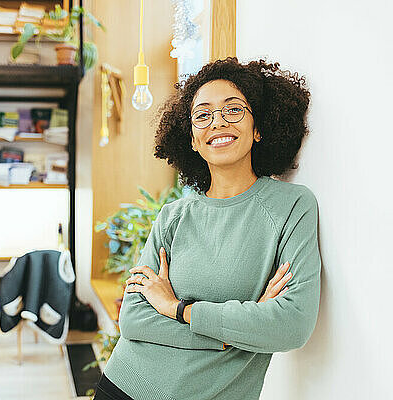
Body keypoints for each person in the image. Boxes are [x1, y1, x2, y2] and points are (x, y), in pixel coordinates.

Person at [93, 57, 320, 400]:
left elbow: (291, 325)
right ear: (194, 141)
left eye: (233, 110)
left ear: (259, 128)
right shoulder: (172, 216)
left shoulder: (290, 207)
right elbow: (134, 319)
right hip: (125, 386)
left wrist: (177, 309)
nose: (217, 122)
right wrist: (235, 329)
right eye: (202, 115)